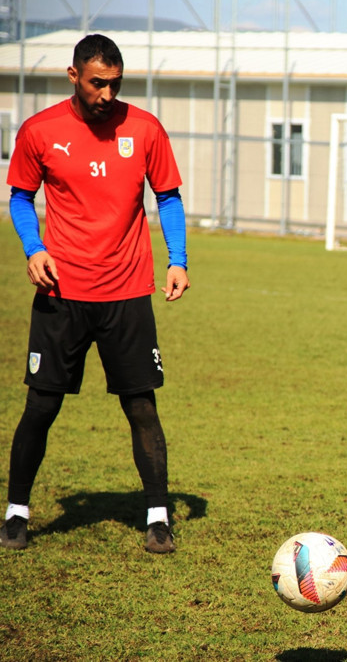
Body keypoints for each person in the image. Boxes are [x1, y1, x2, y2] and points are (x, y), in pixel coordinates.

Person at [0, 34, 189, 554]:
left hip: (127, 292)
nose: (107, 93)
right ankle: (16, 513)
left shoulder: (145, 128)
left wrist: (178, 260)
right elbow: (20, 197)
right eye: (97, 82)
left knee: (141, 407)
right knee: (41, 405)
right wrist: (33, 247)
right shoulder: (41, 131)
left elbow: (168, 197)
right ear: (73, 76)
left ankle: (157, 518)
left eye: (115, 83)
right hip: (62, 292)